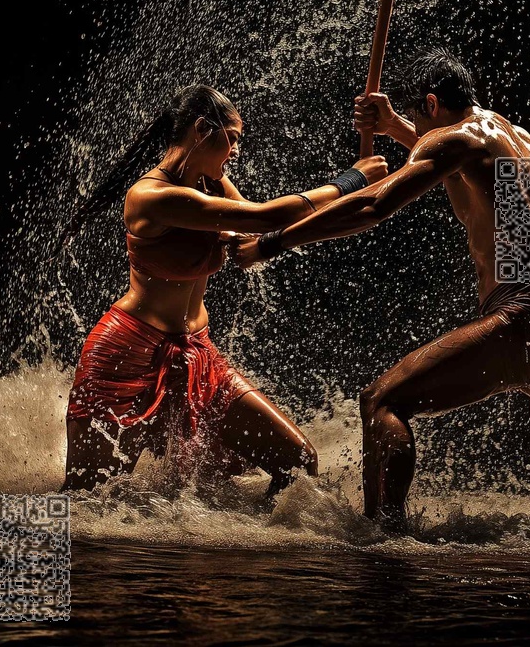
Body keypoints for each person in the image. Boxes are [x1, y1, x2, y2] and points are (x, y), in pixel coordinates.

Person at [236, 49, 530, 529]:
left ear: (433, 104)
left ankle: (383, 547)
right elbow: (449, 155)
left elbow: (375, 204)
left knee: (382, 402)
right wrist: (396, 126)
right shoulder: (515, 135)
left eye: (419, 117)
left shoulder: (453, 141)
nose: (420, 131)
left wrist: (270, 243)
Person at [56, 84, 388, 500]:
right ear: (200, 130)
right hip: (126, 355)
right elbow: (270, 215)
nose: (234, 151)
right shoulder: (151, 197)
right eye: (231, 138)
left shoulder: (213, 184)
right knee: (84, 499)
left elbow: (263, 224)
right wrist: (354, 178)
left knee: (298, 460)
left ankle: (238, 559)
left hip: (199, 354)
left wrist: (357, 194)